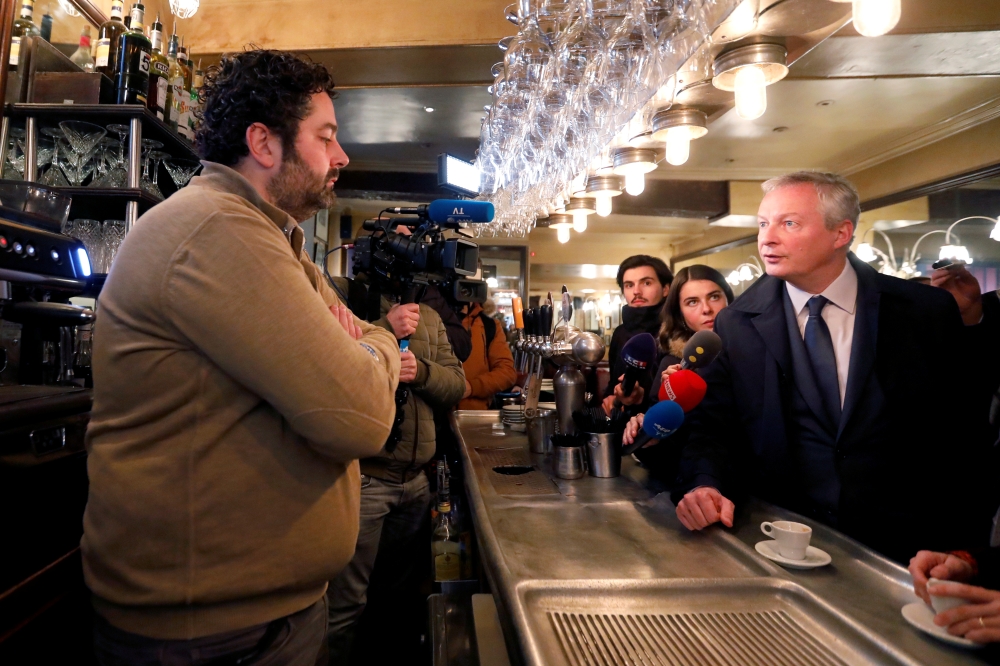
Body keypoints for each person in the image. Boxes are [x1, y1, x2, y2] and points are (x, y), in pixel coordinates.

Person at [83, 50, 402, 666]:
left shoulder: (268, 236)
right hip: (213, 635)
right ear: (263, 142)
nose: (341, 158)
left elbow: (363, 334)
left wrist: (368, 342)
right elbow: (361, 415)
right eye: (326, 137)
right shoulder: (219, 229)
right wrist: (380, 344)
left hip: (244, 619)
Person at [671, 171, 993, 563]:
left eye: (788, 223)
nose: (766, 238)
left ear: (840, 233)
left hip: (909, 547)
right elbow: (714, 428)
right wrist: (705, 483)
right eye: (762, 224)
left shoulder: (922, 312)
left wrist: (967, 550)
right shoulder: (737, 323)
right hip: (783, 539)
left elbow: (964, 436)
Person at [326, 280, 466, 664]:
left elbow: (457, 384)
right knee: (345, 605)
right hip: (366, 480)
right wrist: (384, 331)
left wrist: (420, 370)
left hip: (417, 482)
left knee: (399, 597)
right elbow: (326, 371)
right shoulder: (347, 300)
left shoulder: (431, 317)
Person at [623, 266, 733, 483]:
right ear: (680, 314)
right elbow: (665, 454)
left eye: (714, 297)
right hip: (699, 482)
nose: (706, 309)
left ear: (729, 300)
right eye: (692, 302)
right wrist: (648, 431)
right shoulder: (671, 364)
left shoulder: (756, 354)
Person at [602, 255, 673, 414]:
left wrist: (642, 397)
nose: (636, 291)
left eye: (646, 283)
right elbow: (613, 383)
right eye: (629, 285)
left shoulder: (675, 332)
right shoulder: (620, 333)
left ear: (666, 289)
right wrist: (611, 399)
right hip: (621, 427)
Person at [458, 298, 517, 410]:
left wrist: (472, 387)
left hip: (476, 414)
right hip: (435, 416)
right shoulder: (432, 319)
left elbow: (507, 372)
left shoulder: (489, 326)